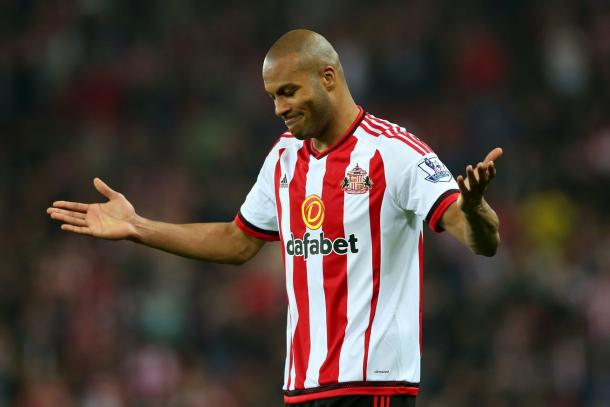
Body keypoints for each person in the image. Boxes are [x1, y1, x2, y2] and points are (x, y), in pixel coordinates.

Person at [47, 29, 501, 407]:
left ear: (328, 78)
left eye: (288, 91)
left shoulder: (395, 152)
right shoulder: (284, 159)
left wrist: (476, 207)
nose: (279, 108)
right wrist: (138, 227)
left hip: (373, 387)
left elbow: (482, 239)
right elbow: (237, 240)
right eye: (272, 97)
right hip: (301, 388)